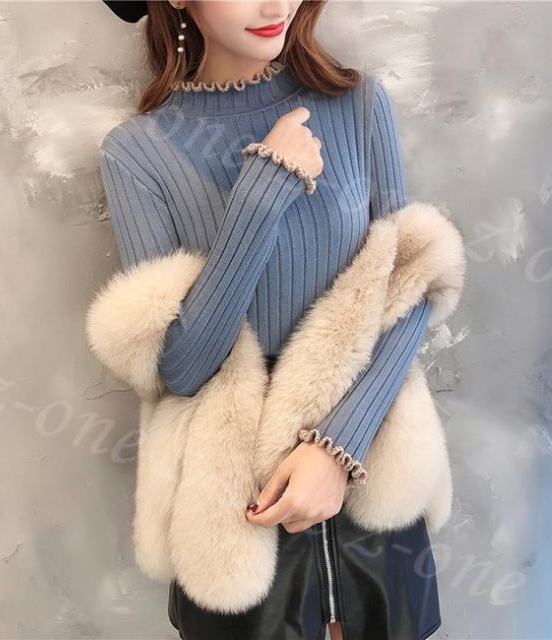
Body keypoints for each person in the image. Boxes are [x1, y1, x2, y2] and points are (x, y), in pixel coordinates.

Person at [98, 1, 442, 639]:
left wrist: (337, 450)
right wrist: (264, 189)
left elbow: (408, 284)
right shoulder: (138, 154)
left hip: (368, 461)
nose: (274, 5)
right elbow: (182, 367)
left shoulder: (358, 104)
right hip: (238, 505)